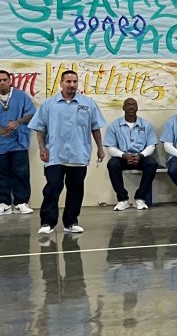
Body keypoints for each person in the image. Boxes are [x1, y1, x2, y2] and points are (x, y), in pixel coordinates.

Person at [29, 69, 106, 235]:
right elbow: (40, 129)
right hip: (54, 154)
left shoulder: (88, 103)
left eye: (75, 82)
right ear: (61, 83)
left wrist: (100, 148)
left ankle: (71, 222)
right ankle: (47, 222)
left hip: (79, 154)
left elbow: (95, 128)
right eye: (68, 82)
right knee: (52, 187)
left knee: (76, 188)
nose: (72, 85)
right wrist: (42, 148)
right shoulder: (49, 104)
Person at [103, 97, 158, 211]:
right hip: (123, 157)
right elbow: (110, 147)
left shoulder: (146, 125)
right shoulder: (114, 125)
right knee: (112, 164)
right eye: (128, 104)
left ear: (137, 108)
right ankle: (122, 200)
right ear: (123, 108)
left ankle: (140, 198)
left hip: (140, 157)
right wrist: (124, 155)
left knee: (152, 164)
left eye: (133, 104)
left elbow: (151, 145)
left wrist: (141, 155)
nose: (131, 107)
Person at [0, 69, 37, 215]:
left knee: (20, 172)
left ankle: (21, 202)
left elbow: (31, 113)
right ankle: (4, 202)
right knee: (1, 173)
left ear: (10, 81)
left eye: (4, 79)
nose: (2, 82)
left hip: (18, 141)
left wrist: (18, 122)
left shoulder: (20, 96)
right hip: (1, 143)